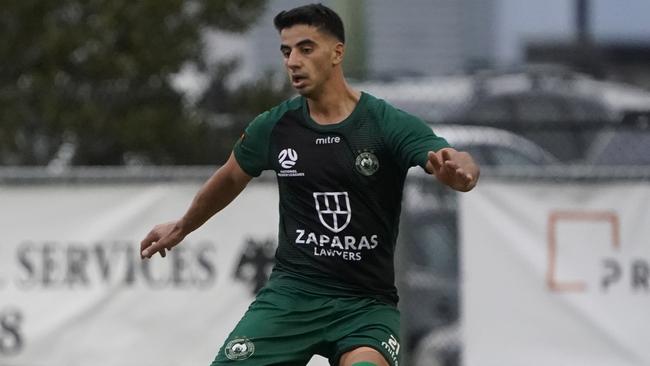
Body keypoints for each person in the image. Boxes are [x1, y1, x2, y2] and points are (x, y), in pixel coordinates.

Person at [140, 3, 479, 366]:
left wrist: (460, 170)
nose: (293, 62)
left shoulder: (383, 123)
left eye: (305, 48)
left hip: (363, 306)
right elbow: (229, 177)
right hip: (292, 298)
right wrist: (182, 225)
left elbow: (448, 157)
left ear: (337, 52)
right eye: (286, 52)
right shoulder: (275, 126)